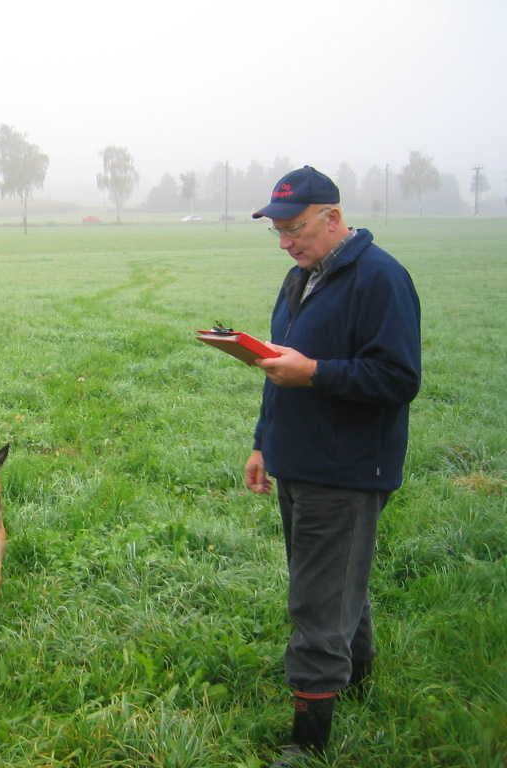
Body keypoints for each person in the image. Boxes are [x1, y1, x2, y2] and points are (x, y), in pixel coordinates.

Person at [243, 166, 421, 764]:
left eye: (295, 228)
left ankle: (308, 742)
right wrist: (264, 441)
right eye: (278, 231)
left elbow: (398, 378)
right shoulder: (301, 279)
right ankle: (359, 682)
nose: (287, 241)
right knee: (340, 581)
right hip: (298, 459)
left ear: (334, 218)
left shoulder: (381, 279)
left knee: (316, 601)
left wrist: (314, 372)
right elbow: (278, 371)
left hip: (346, 470)